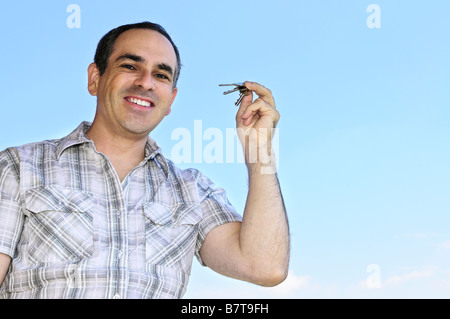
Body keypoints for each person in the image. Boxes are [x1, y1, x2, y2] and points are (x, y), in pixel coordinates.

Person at [0, 22, 289, 299]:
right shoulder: (19, 168)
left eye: (161, 75)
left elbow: (265, 266)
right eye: (130, 66)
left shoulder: (193, 191)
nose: (145, 83)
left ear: (171, 101)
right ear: (95, 79)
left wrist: (259, 151)